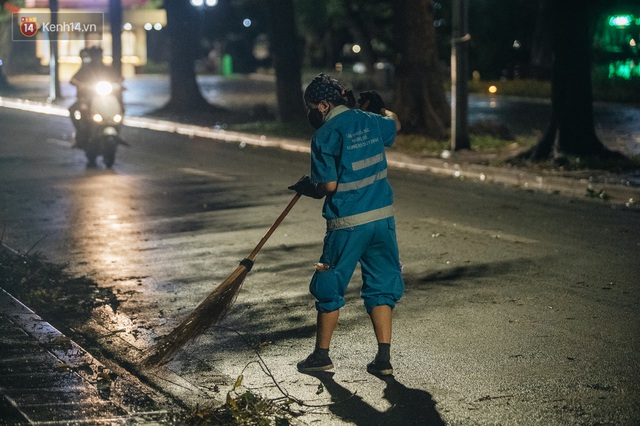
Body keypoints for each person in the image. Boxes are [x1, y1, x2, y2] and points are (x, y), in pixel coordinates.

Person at [289, 73, 404, 377]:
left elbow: (327, 185)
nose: (311, 113)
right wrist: (383, 109)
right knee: (381, 285)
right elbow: (394, 125)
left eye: (312, 106)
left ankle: (321, 355)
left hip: (348, 223)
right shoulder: (370, 120)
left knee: (329, 286)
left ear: (324, 105)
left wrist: (308, 187)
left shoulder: (325, 135)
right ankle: (383, 359)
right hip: (382, 219)